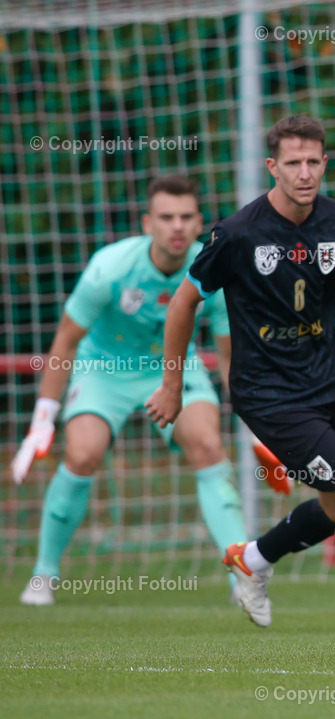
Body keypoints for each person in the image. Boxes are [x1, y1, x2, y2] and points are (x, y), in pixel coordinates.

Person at [145, 115, 335, 634]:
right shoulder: (238, 234)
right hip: (267, 394)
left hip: (325, 384)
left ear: (325, 163)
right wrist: (173, 385)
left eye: (314, 161)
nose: (305, 172)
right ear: (273, 167)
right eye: (293, 162)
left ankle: (254, 559)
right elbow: (182, 305)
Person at [11, 175, 262, 606]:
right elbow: (66, 341)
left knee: (207, 445)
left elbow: (228, 355)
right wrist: (42, 421)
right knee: (82, 454)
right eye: (166, 217)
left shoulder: (213, 266)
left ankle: (242, 578)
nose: (177, 226)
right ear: (148, 222)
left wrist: (258, 425)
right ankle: (43, 574)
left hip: (173, 366)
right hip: (103, 367)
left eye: (186, 217)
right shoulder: (110, 267)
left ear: (200, 222)